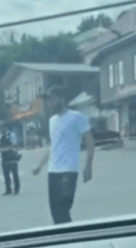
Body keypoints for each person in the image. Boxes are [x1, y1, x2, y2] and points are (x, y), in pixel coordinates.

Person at [32, 85, 95, 225]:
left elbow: (90, 140)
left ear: (61, 99)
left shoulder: (77, 117)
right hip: (53, 172)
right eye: (48, 101)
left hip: (68, 170)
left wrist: (88, 166)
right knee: (55, 212)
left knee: (63, 210)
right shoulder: (52, 121)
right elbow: (52, 146)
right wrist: (40, 166)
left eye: (52, 99)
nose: (49, 103)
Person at [0, 125, 21, 195]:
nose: (2, 129)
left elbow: (15, 145)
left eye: (3, 127)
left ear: (6, 127)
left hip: (11, 157)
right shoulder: (1, 136)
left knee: (14, 174)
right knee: (6, 175)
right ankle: (8, 189)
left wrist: (7, 149)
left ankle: (16, 189)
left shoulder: (11, 135)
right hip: (5, 157)